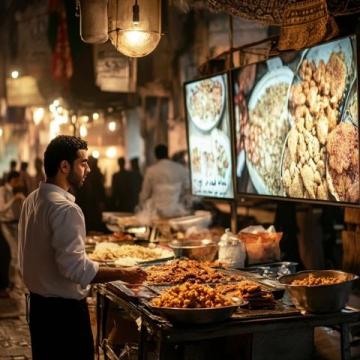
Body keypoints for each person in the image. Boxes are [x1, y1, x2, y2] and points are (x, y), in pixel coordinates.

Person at [18, 135, 146, 360]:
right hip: (63, 316)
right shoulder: (65, 209)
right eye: (83, 163)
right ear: (65, 166)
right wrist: (123, 273)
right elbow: (75, 269)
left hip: (39, 310)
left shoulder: (32, 199)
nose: (88, 169)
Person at [139, 144, 189, 218]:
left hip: (157, 214)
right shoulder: (180, 168)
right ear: (167, 153)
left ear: (155, 155)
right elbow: (187, 190)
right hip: (177, 212)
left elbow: (145, 194)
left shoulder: (151, 171)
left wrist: (141, 206)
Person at [0, 171, 25, 293]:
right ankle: (13, 283)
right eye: (18, 180)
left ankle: (15, 282)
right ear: (13, 180)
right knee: (14, 254)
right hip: (6, 224)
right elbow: (2, 209)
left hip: (15, 224)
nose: (19, 183)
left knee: (18, 254)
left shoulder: (14, 191)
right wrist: (14, 199)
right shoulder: (3, 190)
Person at [76, 156, 107, 232]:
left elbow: (99, 188)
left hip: (93, 202)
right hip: (87, 202)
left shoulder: (95, 174)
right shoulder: (86, 173)